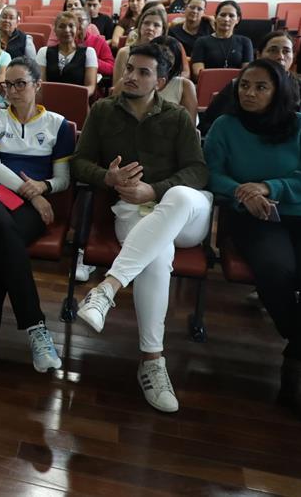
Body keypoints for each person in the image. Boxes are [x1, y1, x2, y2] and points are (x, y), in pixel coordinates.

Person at [71, 44, 211, 413]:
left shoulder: (178, 117)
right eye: (129, 68)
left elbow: (198, 171)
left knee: (179, 195)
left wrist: (155, 189)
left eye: (143, 72)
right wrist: (108, 176)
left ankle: (107, 288)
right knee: (156, 252)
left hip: (186, 215)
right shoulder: (102, 111)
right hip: (132, 209)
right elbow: (79, 163)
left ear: (161, 81)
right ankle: (153, 361)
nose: (130, 76)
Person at [204, 58, 301, 420]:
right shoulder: (226, 126)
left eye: (261, 87)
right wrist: (244, 194)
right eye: (244, 85)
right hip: (255, 218)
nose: (249, 92)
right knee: (276, 271)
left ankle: (296, 359)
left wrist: (269, 185)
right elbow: (211, 173)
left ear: (278, 91)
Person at [0, 57, 73, 382]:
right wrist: (35, 195)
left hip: (29, 209)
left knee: (4, 251)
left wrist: (46, 187)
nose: (12, 91)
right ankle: (36, 328)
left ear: (38, 85)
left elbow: (64, 178)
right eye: (7, 85)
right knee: (5, 233)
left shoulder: (59, 125)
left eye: (20, 83)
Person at [200, 31, 301, 135]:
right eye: (273, 50)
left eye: (286, 51)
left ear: (294, 56)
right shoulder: (238, 85)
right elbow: (208, 124)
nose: (280, 57)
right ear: (259, 55)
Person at [112, 6, 188, 87]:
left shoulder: (169, 53)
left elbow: (183, 74)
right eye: (146, 23)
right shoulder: (124, 52)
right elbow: (116, 87)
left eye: (156, 25)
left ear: (163, 30)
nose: (150, 28)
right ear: (140, 26)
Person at [36, 11, 98, 97]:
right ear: (55, 31)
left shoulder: (89, 52)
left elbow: (91, 87)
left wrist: (69, 97)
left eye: (71, 26)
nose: (67, 30)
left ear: (77, 29)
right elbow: (40, 84)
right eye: (62, 26)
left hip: (78, 101)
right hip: (50, 101)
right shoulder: (43, 52)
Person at [190, 0, 253, 81]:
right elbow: (197, 73)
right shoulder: (201, 41)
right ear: (215, 17)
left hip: (236, 87)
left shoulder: (245, 42)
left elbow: (247, 73)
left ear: (237, 19)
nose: (226, 19)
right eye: (223, 15)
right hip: (209, 85)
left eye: (231, 16)